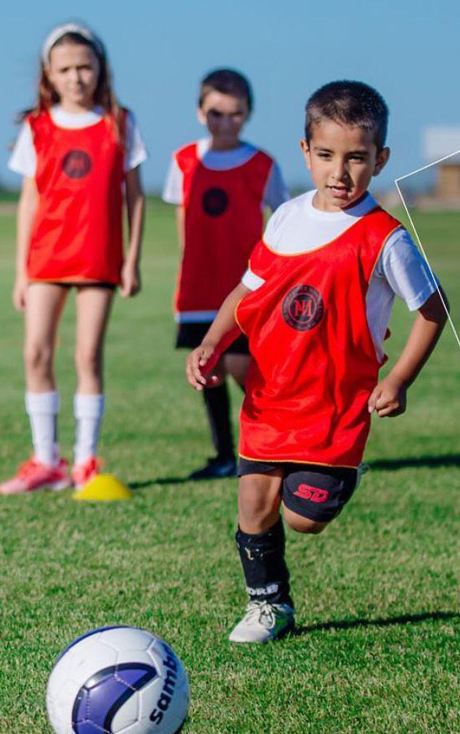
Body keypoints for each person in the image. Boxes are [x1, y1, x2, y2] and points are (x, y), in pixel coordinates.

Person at [186, 80, 449, 643]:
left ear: (380, 159)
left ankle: (343, 472)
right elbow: (246, 289)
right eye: (327, 155)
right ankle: (269, 606)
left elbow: (434, 308)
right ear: (306, 152)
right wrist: (212, 340)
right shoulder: (284, 218)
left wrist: (399, 377)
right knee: (253, 503)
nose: (340, 172)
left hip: (334, 406)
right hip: (270, 395)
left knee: (304, 517)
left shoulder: (384, 238)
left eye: (357, 158)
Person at [0, 22, 146, 494]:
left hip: (99, 258)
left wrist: (132, 260)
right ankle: (47, 461)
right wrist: (21, 270)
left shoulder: (119, 122)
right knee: (36, 351)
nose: (76, 77)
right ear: (49, 73)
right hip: (46, 258)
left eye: (85, 66)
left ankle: (85, 462)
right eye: (66, 69)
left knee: (87, 354)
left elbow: (135, 197)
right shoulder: (36, 127)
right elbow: (30, 200)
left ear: (100, 68)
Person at [163, 68, 288, 480]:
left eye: (235, 113)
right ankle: (222, 456)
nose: (225, 122)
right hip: (198, 287)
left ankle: (280, 442)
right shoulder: (183, 161)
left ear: (248, 113)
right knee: (207, 371)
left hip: (246, 288)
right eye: (216, 113)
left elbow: (281, 224)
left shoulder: (262, 164)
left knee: (241, 367)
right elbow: (184, 226)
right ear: (200, 112)